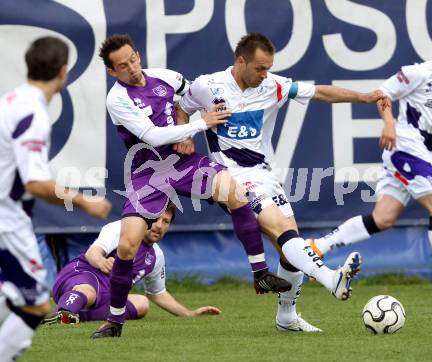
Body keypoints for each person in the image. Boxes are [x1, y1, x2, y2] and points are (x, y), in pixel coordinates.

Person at [177, 32, 389, 332]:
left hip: (265, 176)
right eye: (260, 68)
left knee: (289, 244)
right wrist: (185, 134)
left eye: (268, 68)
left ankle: (286, 317)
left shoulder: (272, 85)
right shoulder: (207, 85)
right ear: (241, 61)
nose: (265, 74)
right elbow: (182, 107)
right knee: (282, 230)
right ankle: (331, 279)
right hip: (231, 178)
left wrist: (363, 97)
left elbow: (320, 93)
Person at [92, 34, 290, 339]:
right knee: (128, 245)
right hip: (147, 172)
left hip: (183, 162)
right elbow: (154, 135)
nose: (131, 67)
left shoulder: (166, 77)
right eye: (122, 65)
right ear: (112, 72)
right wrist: (200, 125)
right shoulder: (116, 99)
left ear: (138, 55)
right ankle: (115, 321)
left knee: (237, 193)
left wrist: (190, 133)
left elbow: (190, 99)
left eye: (133, 59)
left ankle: (260, 273)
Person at [0, 37, 112, 361]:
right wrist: (84, 201)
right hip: (8, 219)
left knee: (14, 293)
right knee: (36, 305)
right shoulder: (32, 112)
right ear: (64, 72)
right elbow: (35, 183)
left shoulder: (10, 101)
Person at [307, 29, 432, 263]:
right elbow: (382, 95)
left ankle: (317, 247)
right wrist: (389, 124)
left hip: (420, 149)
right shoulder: (419, 72)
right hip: (406, 146)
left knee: (383, 218)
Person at [41, 204, 220, 325]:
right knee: (88, 291)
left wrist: (189, 313)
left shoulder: (156, 255)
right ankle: (62, 312)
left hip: (109, 294)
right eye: (155, 219)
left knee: (142, 303)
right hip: (83, 274)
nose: (159, 226)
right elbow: (92, 253)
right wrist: (102, 262)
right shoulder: (121, 228)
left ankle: (76, 315)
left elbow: (158, 294)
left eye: (165, 222)